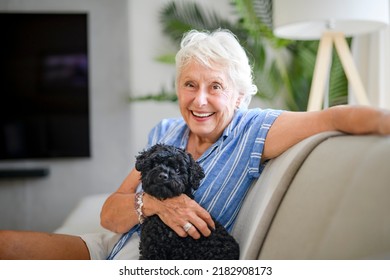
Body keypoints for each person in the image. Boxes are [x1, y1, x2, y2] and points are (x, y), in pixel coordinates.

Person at [1, 29, 389, 260]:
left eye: (215, 87)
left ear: (238, 96)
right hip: (113, 246)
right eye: (190, 84)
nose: (199, 100)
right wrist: (154, 204)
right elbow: (110, 211)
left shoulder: (254, 130)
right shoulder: (165, 133)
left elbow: (334, 117)